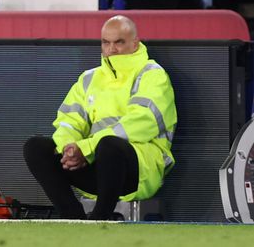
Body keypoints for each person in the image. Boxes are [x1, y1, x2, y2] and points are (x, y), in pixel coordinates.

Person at [23, 15, 177, 220]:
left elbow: (141, 123)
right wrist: (68, 148)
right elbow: (69, 120)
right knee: (35, 147)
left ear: (135, 43)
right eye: (106, 42)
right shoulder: (89, 78)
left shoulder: (152, 74)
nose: (112, 49)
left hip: (140, 170)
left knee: (109, 145)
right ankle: (72, 217)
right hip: (93, 163)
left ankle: (100, 218)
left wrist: (86, 148)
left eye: (119, 42)